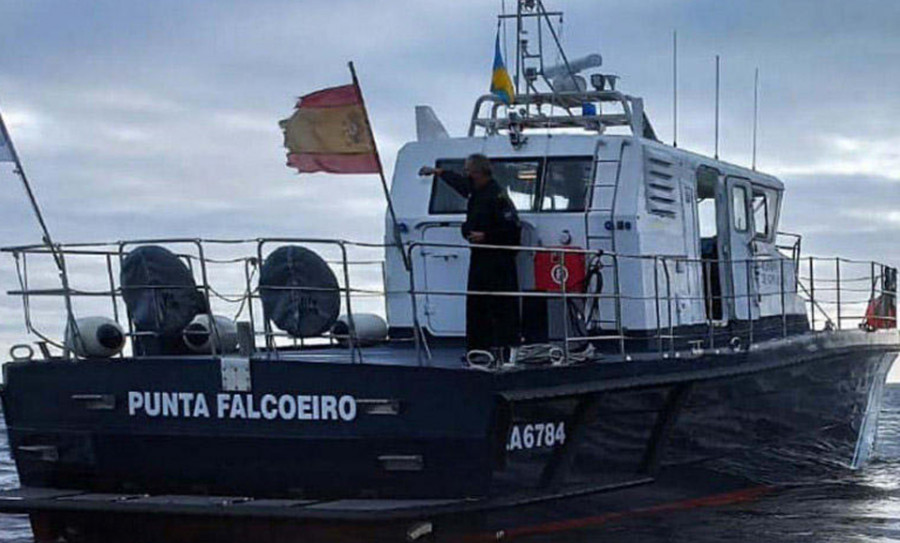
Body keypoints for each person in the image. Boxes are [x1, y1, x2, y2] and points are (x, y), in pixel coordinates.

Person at [419, 154, 521, 361]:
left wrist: (487, 236)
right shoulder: (476, 191)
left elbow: (512, 229)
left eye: (468, 170)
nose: (466, 174)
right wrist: (439, 172)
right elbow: (460, 184)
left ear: (477, 172)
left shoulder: (497, 196)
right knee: (477, 305)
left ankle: (506, 351)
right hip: (480, 258)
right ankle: (477, 350)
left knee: (501, 306)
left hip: (498, 260)